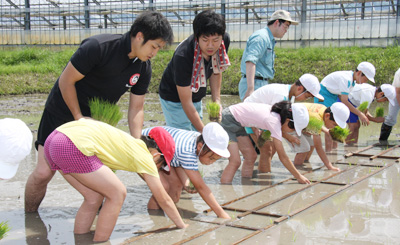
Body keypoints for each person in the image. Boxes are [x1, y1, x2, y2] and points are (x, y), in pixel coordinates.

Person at [25, 11, 174, 212]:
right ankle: (30, 219)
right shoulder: (98, 47)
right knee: (43, 173)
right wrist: (79, 118)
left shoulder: (143, 68)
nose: (155, 53)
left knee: (99, 184)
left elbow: (136, 108)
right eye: (154, 46)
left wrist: (137, 142)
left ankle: (94, 224)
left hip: (95, 123)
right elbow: (66, 81)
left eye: (159, 48)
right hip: (62, 112)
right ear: (139, 36)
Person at [44, 118, 188, 242]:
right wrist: (181, 225)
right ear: (156, 155)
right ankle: (101, 242)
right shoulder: (145, 156)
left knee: (93, 197)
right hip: (70, 145)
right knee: (117, 193)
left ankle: (81, 241)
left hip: (53, 140)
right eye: (161, 164)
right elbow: (163, 199)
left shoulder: (128, 143)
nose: (158, 169)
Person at [158, 10, 230, 132]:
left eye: (215, 40)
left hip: (196, 96)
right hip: (174, 98)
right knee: (183, 136)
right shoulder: (183, 56)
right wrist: (205, 133)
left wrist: (216, 100)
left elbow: (216, 70)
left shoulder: (224, 42)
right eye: (205, 40)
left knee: (196, 134)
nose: (211, 46)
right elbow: (186, 102)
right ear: (197, 37)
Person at [142, 122, 231, 219]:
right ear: (200, 147)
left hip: (163, 152)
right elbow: (201, 187)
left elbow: (178, 161)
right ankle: (156, 219)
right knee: (163, 187)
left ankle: (167, 214)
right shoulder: (186, 151)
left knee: (176, 188)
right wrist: (221, 214)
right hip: (145, 146)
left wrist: (186, 183)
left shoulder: (198, 140)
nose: (211, 162)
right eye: (211, 158)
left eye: (215, 159)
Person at [244, 73, 324, 172]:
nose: (306, 100)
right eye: (307, 97)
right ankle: (264, 177)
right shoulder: (281, 96)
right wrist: (288, 136)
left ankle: (262, 172)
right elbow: (274, 123)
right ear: (300, 89)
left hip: (262, 118)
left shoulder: (290, 96)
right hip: (250, 117)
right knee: (267, 151)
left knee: (271, 149)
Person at [219, 101, 311, 184]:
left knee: (251, 156)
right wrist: (299, 176)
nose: (291, 131)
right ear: (288, 121)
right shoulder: (274, 121)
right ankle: (225, 189)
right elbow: (283, 156)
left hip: (238, 121)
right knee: (235, 161)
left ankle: (246, 184)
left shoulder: (276, 116)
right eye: (293, 128)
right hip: (229, 119)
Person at [314, 61, 376, 151]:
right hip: (324, 95)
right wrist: (360, 114)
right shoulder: (346, 79)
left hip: (333, 96)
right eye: (365, 80)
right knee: (331, 126)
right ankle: (329, 153)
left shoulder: (352, 81)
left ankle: (334, 150)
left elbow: (342, 98)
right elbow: (345, 101)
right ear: (359, 73)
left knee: (336, 124)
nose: (364, 83)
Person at [238, 9, 298, 101]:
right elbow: (250, 61)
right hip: (254, 83)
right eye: (285, 27)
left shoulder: (269, 39)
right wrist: (250, 89)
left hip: (260, 82)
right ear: (277, 22)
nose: (286, 31)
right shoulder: (261, 37)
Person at [292, 102, 350, 171]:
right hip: (289, 122)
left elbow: (315, 123)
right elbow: (319, 148)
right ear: (327, 116)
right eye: (334, 125)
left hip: (298, 121)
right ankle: (297, 169)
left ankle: (304, 162)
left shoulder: (323, 108)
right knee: (304, 148)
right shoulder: (317, 119)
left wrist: (327, 131)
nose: (333, 127)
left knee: (311, 145)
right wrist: (329, 166)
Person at [379, 68, 400, 144]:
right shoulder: (399, 73)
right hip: (396, 94)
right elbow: (398, 92)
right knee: (391, 118)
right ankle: (382, 141)